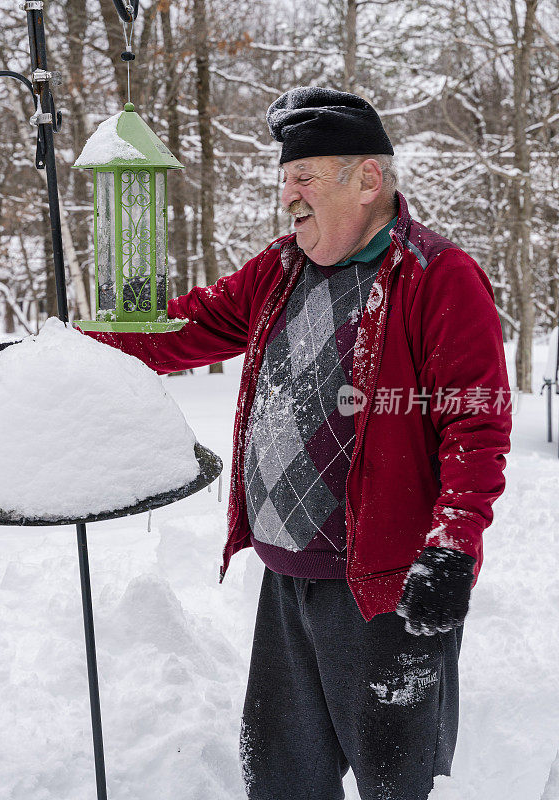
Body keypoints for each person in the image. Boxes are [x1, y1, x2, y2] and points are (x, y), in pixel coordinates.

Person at [85, 87, 512, 800]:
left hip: (383, 587)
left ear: (367, 179)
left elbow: (477, 423)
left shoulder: (437, 276)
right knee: (282, 779)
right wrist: (71, 344)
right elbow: (186, 329)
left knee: (391, 783)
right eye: (285, 182)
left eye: (303, 178)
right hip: (287, 581)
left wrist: (452, 547)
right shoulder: (280, 270)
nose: (288, 198)